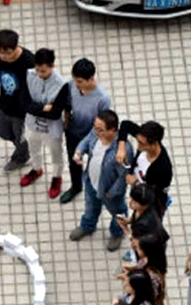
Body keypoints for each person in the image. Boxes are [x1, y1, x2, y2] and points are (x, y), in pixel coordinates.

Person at [69, 110, 133, 251]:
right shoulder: (95, 133)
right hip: (91, 182)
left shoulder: (124, 150)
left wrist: (113, 192)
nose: (96, 132)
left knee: (118, 212)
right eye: (95, 127)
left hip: (109, 190)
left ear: (113, 130)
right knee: (90, 208)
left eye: (100, 130)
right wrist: (79, 151)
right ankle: (87, 226)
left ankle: (117, 233)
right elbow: (86, 141)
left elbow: (124, 176)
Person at [60, 58, 112, 204]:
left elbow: (103, 122)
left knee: (94, 165)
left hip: (92, 136)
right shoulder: (72, 86)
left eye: (80, 82)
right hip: (73, 132)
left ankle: (96, 189)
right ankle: (76, 187)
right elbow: (68, 103)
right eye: (75, 80)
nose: (76, 85)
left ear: (90, 79)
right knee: (74, 162)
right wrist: (67, 119)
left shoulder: (102, 98)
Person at [20, 48, 67, 197]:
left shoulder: (62, 84)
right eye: (38, 70)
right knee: (33, 148)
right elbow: (24, 103)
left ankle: (57, 177)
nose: (40, 74)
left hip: (51, 129)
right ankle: (37, 169)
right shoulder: (29, 75)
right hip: (33, 124)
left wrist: (35, 108)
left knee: (56, 154)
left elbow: (54, 114)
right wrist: (43, 108)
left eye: (44, 71)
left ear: (52, 66)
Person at [0, 29, 34, 172]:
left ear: (16, 48)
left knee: (19, 135)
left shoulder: (29, 61)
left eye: (7, 53)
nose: (3, 56)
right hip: (4, 104)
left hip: (22, 110)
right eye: (0, 52)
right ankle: (24, 149)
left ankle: (22, 156)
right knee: (3, 132)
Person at [119, 120, 173, 218]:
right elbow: (125, 124)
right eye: (138, 141)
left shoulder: (163, 168)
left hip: (150, 201)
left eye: (142, 143)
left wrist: (135, 183)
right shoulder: (143, 137)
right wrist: (121, 147)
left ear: (154, 144)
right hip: (138, 182)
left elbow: (156, 192)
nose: (138, 146)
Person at [121, 234, 167, 305]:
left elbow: (147, 295)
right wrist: (131, 270)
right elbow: (139, 267)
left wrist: (128, 280)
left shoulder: (153, 278)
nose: (135, 249)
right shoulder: (147, 260)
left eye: (138, 248)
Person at [118, 184, 169, 263]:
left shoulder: (143, 225)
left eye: (134, 201)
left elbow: (135, 241)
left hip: (150, 249)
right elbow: (135, 215)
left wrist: (125, 229)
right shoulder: (143, 209)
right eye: (131, 197)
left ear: (145, 204)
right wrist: (128, 221)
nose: (130, 202)